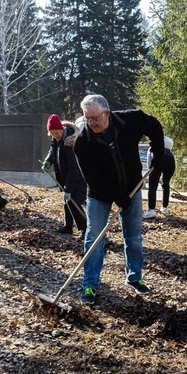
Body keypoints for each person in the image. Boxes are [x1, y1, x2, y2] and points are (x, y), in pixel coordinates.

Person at [73, 94, 164, 305]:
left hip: (132, 187)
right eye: (87, 118)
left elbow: (155, 127)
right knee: (94, 237)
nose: (90, 122)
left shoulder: (129, 120)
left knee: (133, 235)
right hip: (99, 193)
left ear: (107, 113)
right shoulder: (82, 142)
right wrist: (117, 196)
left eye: (94, 117)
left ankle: (135, 277)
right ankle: (90, 285)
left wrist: (158, 153)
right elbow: (92, 179)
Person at [42, 113, 87, 239]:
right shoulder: (56, 138)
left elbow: (74, 169)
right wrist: (48, 161)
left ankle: (85, 229)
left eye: (57, 133)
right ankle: (68, 227)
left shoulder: (70, 142)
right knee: (67, 202)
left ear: (62, 129)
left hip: (78, 177)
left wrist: (68, 188)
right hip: (65, 175)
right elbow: (52, 150)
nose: (55, 136)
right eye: (52, 134)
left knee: (74, 203)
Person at [143, 135, 176, 219]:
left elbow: (149, 164)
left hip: (157, 159)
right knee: (166, 184)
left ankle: (151, 210)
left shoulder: (152, 149)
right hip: (171, 162)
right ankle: (165, 207)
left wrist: (153, 175)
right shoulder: (170, 153)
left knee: (153, 186)